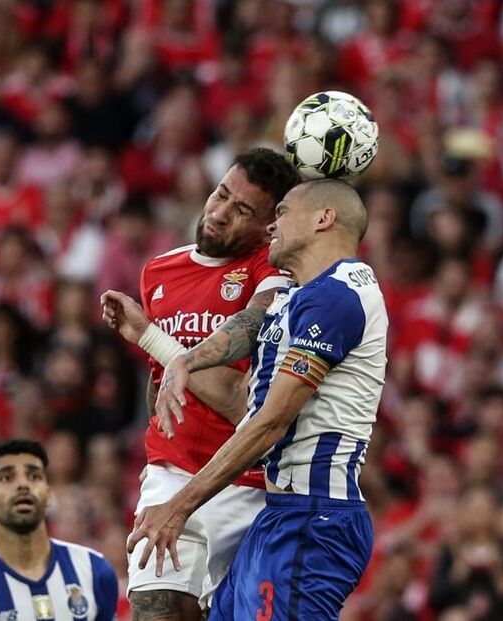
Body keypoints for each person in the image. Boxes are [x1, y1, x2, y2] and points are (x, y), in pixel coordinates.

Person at [127, 179, 388, 620]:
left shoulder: (339, 296)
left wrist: (180, 505)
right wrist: (180, 358)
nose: (272, 226)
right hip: (280, 513)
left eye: (282, 212)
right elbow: (242, 336)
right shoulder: (300, 296)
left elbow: (270, 421)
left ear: (324, 219)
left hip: (315, 518)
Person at [101, 147, 301, 619]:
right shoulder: (158, 271)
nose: (219, 213)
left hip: (247, 482)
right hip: (172, 473)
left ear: (269, 226)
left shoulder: (274, 274)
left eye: (242, 210)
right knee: (154, 607)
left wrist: (154, 338)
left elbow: (242, 400)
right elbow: (163, 385)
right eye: (222, 194)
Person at [0, 439, 119, 621]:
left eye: (34, 476)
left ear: (49, 494)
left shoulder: (94, 570)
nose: (23, 485)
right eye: (6, 477)